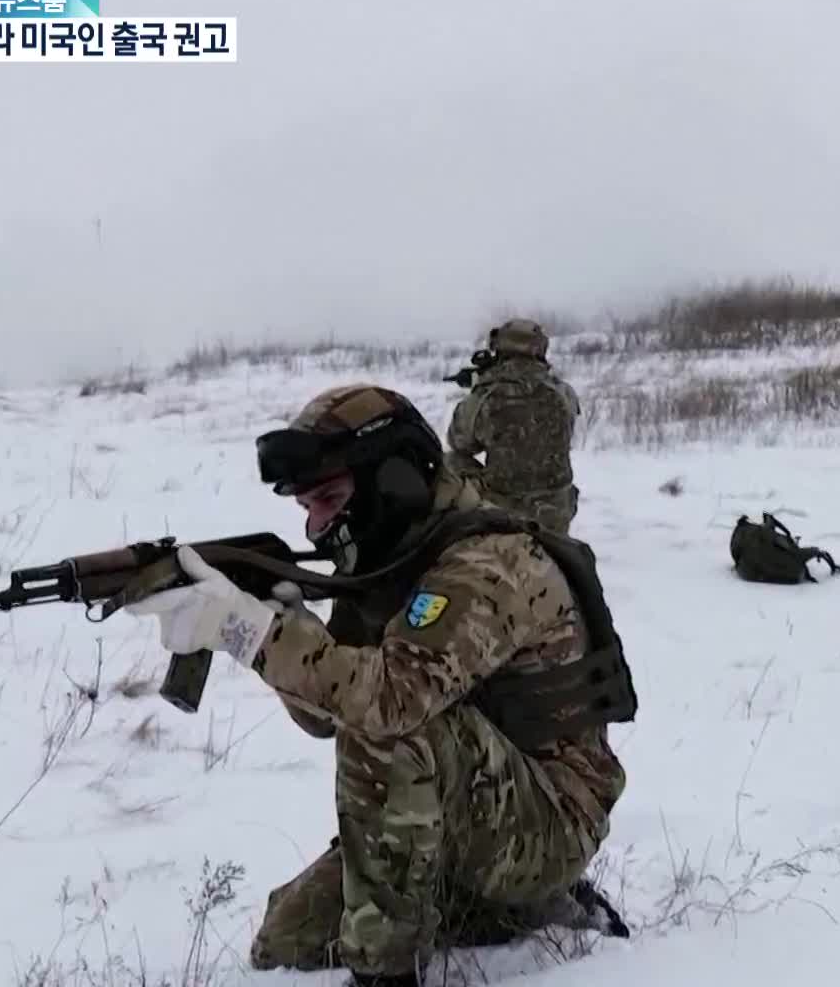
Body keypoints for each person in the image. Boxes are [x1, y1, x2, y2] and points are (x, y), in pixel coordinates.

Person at [123, 384, 635, 986]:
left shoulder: (486, 564)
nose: (316, 526)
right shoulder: (389, 558)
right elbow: (323, 717)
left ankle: (393, 972)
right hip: (463, 806)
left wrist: (252, 633)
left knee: (388, 719)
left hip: (549, 820)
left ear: (392, 479)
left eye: (329, 499)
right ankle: (503, 908)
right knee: (286, 943)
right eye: (306, 507)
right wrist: (288, 624)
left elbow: (386, 705)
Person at [446, 318, 582, 535]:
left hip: (504, 512)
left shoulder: (487, 395)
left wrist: (478, 388)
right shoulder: (564, 392)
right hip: (557, 511)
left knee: (451, 460)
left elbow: (459, 442)